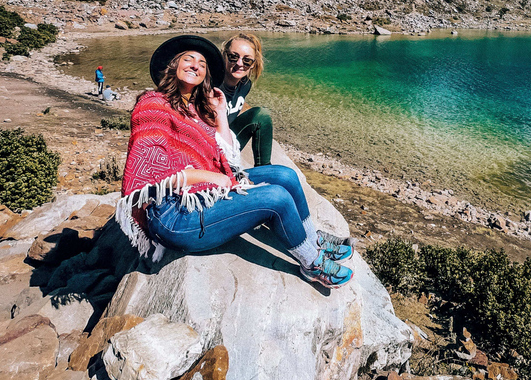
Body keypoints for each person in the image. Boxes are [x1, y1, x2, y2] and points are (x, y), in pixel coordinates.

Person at [115, 34, 354, 288]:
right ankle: (312, 263)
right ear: (173, 65)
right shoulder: (153, 105)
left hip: (201, 196)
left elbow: (229, 156)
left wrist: (219, 114)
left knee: (285, 176)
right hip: (174, 217)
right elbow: (153, 177)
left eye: (203, 64)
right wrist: (212, 177)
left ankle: (311, 239)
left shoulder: (194, 109)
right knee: (276, 198)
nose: (196, 65)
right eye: (189, 59)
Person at [218, 33, 273, 167]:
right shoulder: (212, 85)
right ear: (223, 55)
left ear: (253, 64)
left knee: (261, 115)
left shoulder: (244, 85)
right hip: (208, 147)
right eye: (233, 57)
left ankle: (264, 168)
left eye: (247, 60)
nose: (239, 64)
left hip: (228, 142)